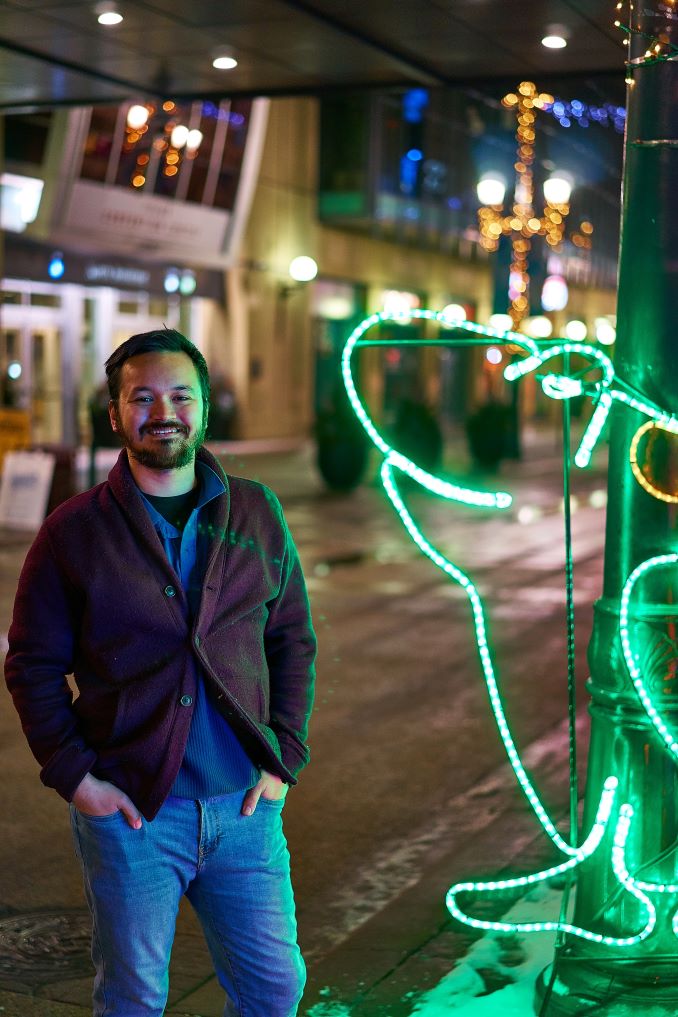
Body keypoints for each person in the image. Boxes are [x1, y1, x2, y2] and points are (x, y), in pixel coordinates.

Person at [4, 328, 317, 1017]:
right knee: (134, 999)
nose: (162, 411)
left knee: (274, 989)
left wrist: (283, 758)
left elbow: (291, 639)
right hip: (133, 815)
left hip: (245, 810)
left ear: (205, 408)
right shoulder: (73, 532)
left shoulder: (256, 511)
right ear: (114, 413)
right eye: (141, 396)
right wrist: (77, 778)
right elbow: (31, 663)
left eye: (180, 394)